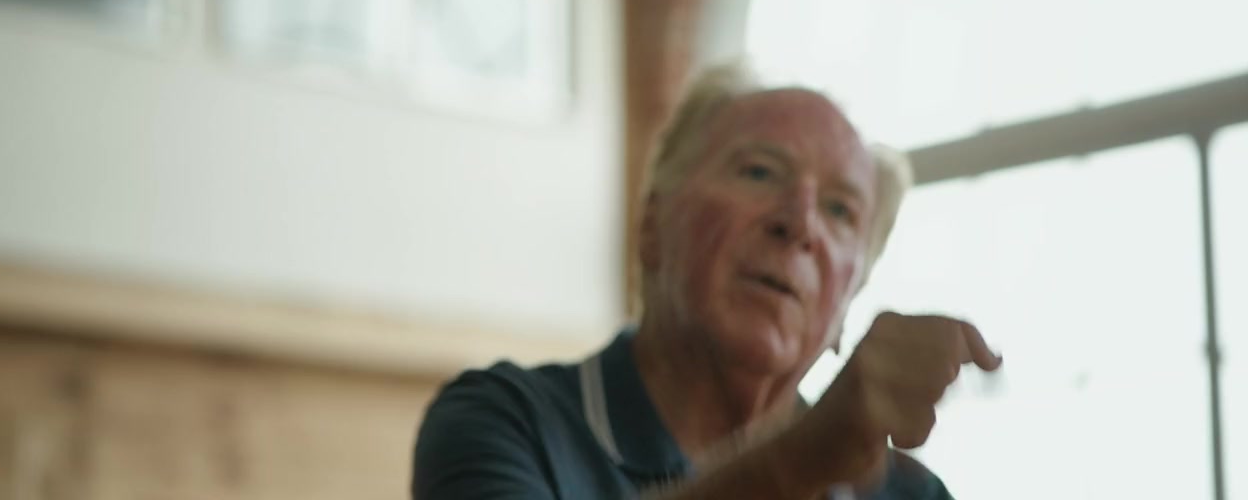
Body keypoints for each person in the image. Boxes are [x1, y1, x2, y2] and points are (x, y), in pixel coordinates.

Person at [412, 63, 1003, 499]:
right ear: (651, 226)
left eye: (839, 210)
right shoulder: (507, 422)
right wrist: (795, 465)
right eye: (760, 172)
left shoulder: (911, 495)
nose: (800, 223)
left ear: (851, 297)